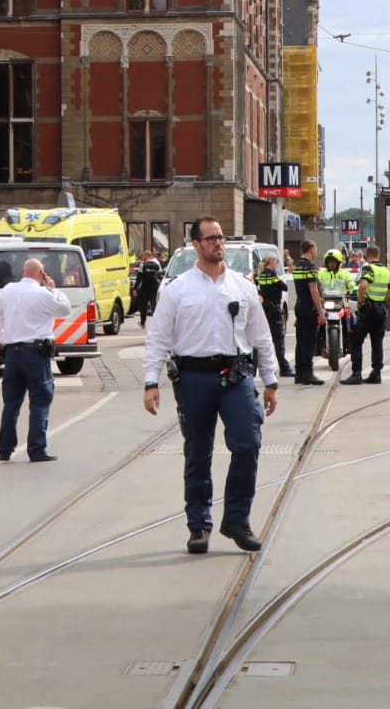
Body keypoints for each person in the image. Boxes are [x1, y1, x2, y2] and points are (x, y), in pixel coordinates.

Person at [144, 216, 280, 554]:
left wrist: (271, 379)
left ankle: (236, 519)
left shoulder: (243, 286)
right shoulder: (177, 290)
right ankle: (199, 525)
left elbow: (261, 336)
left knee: (247, 443)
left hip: (236, 376)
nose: (217, 244)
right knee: (198, 451)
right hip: (193, 377)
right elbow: (158, 338)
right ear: (195, 245)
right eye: (210, 239)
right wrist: (151, 381)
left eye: (220, 238)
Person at [0, 257, 70, 462]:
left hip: (12, 353)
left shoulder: (8, 290)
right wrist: (53, 289)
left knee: (11, 403)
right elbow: (65, 309)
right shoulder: (43, 293)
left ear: (23, 272)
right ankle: (36, 449)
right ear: (41, 274)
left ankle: (4, 449)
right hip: (35, 354)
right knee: (40, 401)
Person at [347, 244, 390, 384]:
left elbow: (363, 285)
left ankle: (356, 373)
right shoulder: (385, 270)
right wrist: (382, 300)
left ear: (367, 255)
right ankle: (376, 373)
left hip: (368, 309)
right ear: (378, 254)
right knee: (377, 342)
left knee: (356, 340)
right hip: (380, 310)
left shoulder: (368, 268)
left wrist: (360, 302)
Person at [289, 241, 326, 385]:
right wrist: (320, 310)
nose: (316, 252)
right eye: (315, 249)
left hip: (299, 305)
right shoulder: (310, 267)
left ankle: (299, 373)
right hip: (309, 307)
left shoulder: (297, 266)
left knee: (300, 341)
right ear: (311, 250)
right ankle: (308, 374)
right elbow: (314, 290)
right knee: (310, 341)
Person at [255, 253, 291, 381]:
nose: (277, 265)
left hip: (264, 309)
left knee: (265, 340)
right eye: (276, 262)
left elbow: (257, 287)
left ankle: (263, 368)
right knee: (278, 340)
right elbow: (285, 287)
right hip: (274, 310)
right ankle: (284, 368)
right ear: (271, 262)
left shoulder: (261, 275)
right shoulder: (272, 276)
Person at [317, 248, 353, 366]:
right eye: (329, 262)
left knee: (351, 319)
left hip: (343, 304)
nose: (331, 264)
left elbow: (351, 284)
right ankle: (317, 346)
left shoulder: (345, 274)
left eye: (334, 261)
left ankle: (351, 345)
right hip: (325, 305)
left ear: (338, 263)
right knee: (315, 322)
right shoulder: (321, 273)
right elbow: (315, 285)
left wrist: (354, 290)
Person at [134, 250, 163, 326]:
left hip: (145, 288)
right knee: (154, 306)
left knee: (143, 306)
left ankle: (142, 322)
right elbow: (160, 276)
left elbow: (139, 277)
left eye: (143, 256)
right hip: (154, 288)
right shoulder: (156, 264)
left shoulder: (142, 264)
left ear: (146, 256)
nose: (142, 257)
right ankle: (156, 323)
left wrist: (135, 288)